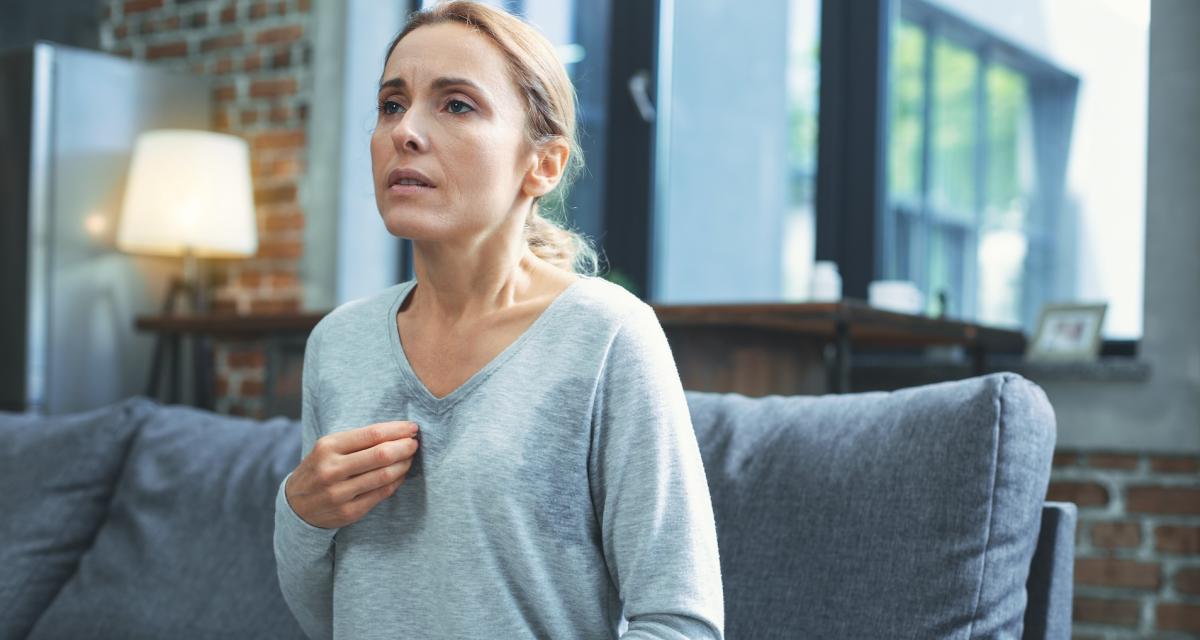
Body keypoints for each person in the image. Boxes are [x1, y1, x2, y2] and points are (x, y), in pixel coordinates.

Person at [272, 2, 724, 638]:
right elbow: (326, 617)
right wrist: (301, 513)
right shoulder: (338, 343)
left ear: (543, 164)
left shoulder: (609, 336)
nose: (405, 131)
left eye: (456, 104)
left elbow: (681, 623)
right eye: (392, 105)